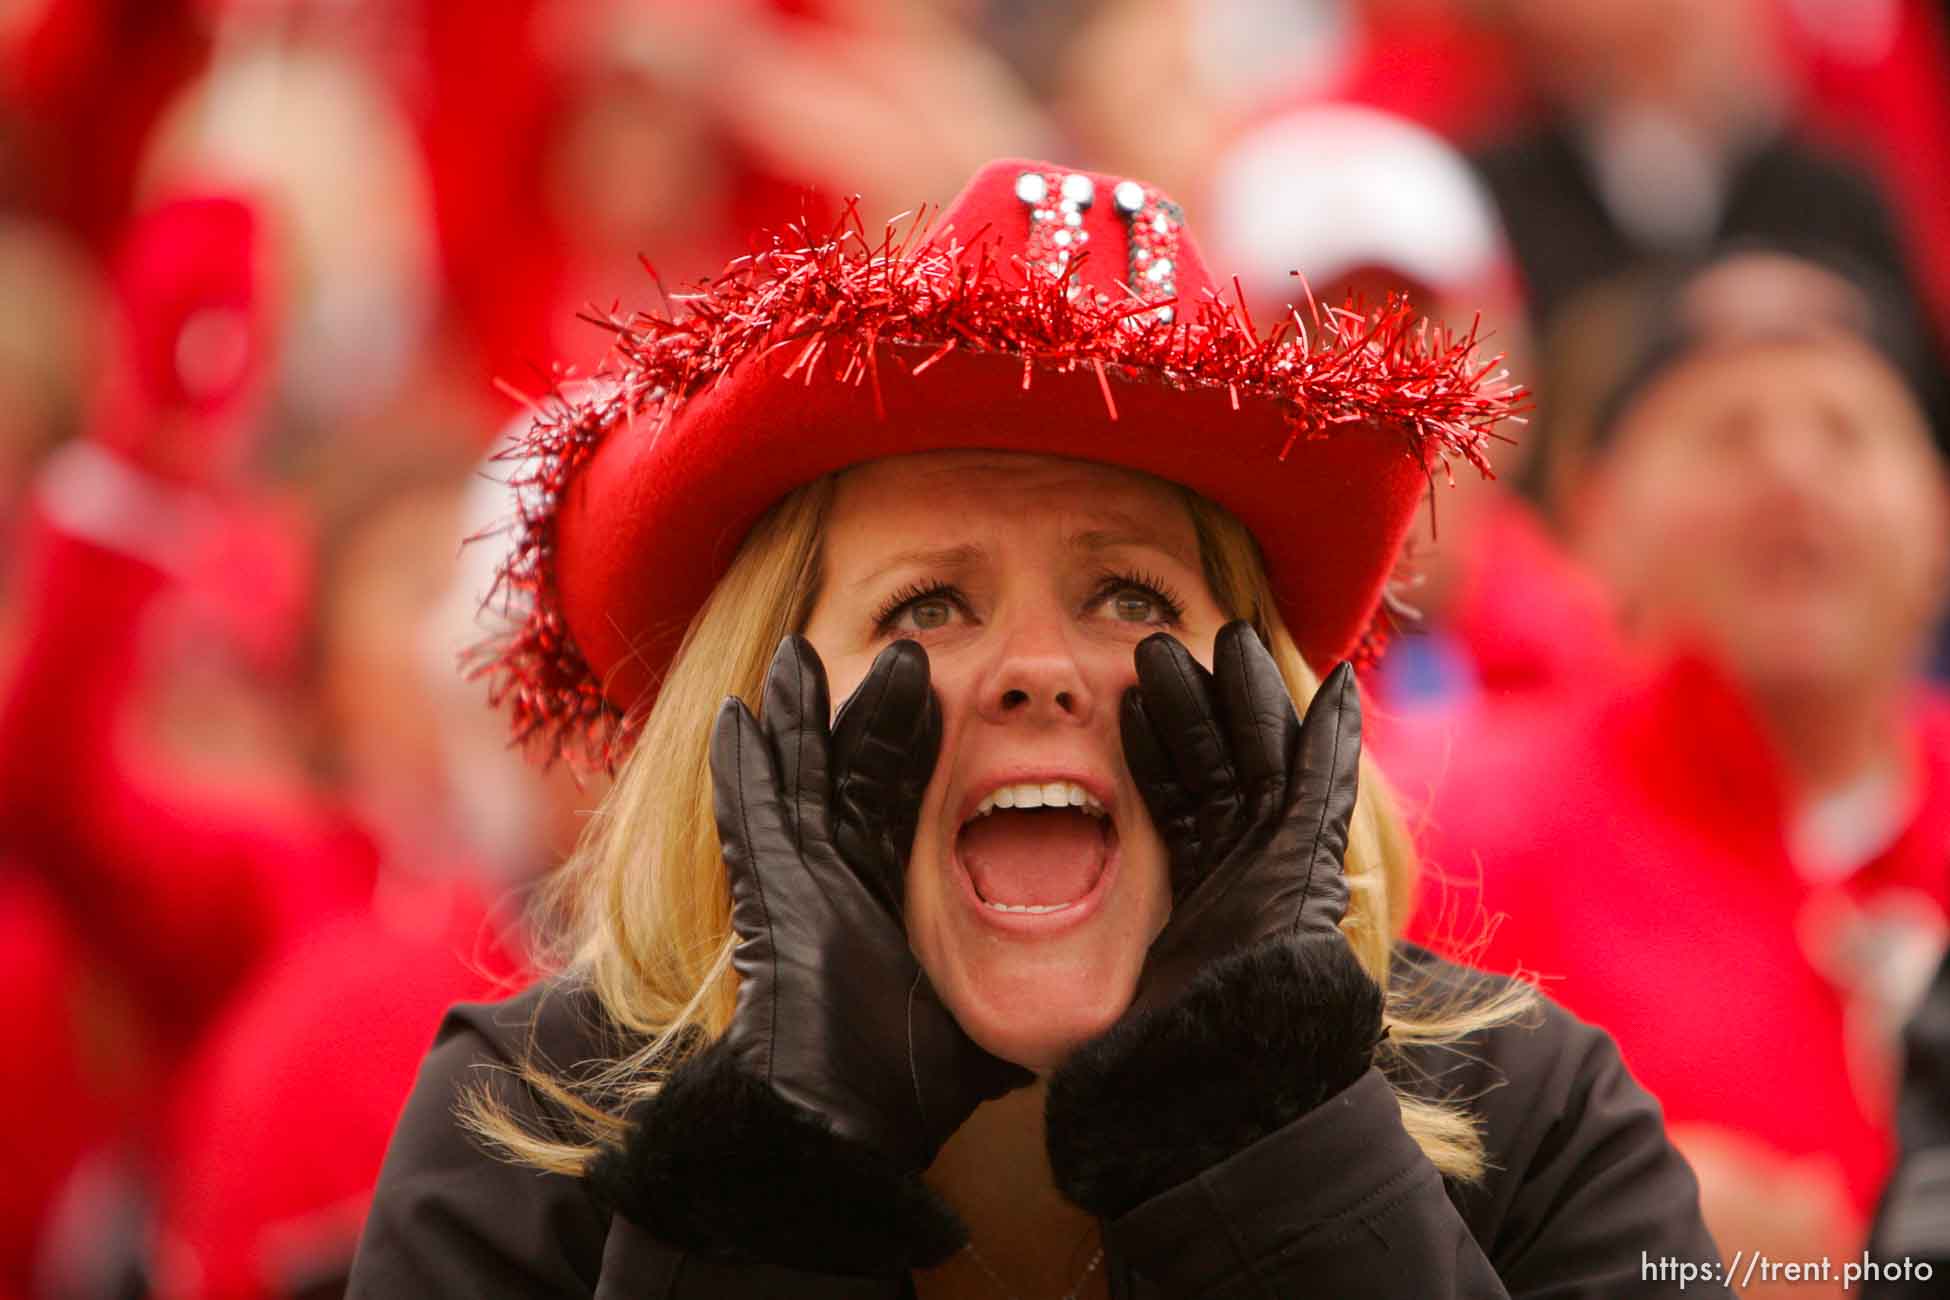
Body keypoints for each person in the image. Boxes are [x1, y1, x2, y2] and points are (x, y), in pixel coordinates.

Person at [348, 159, 1724, 1297]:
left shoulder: (1532, 1115)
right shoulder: (524, 1136)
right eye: (926, 607)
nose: (1035, 672)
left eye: (1128, 596)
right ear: (750, 714)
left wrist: (1272, 1136)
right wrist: (773, 1183)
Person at [1400, 251, 1950, 1295]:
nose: (1793, 471)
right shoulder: (1445, 833)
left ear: (1940, 520)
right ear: (1589, 511)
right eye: (1724, 432)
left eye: (1849, 428)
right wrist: (1608, 1232)